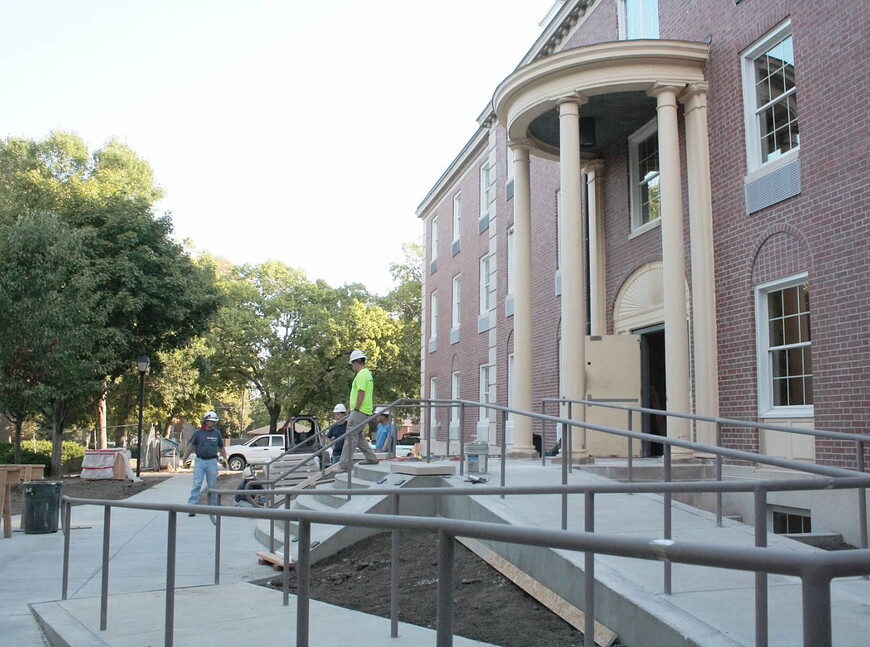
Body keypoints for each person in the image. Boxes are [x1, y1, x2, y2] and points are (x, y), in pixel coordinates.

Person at [339, 349, 379, 471]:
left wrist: (356, 408)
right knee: (358, 436)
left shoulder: (361, 374)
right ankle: (371, 458)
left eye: (352, 363)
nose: (353, 366)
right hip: (363, 411)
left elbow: (361, 392)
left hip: (360, 411)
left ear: (356, 362)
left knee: (350, 435)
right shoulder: (367, 374)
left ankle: (344, 465)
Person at [183, 410, 227, 516]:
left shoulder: (217, 433)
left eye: (214, 421)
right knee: (197, 484)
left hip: (212, 461)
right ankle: (192, 507)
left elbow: (221, 447)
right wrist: (185, 458)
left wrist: (225, 458)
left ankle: (213, 508)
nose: (213, 423)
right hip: (200, 461)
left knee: (212, 485)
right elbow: (191, 446)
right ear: (206, 421)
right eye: (211, 421)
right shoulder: (198, 433)